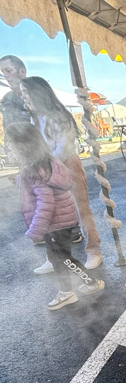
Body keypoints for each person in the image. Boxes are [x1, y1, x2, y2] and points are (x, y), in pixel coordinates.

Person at [6, 122, 104, 311]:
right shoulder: (45, 163)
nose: (9, 148)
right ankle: (79, 287)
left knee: (62, 259)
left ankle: (77, 288)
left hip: (54, 223)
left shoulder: (34, 170)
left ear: (23, 146)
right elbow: (43, 188)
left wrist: (37, 230)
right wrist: (21, 181)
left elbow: (45, 202)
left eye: (11, 144)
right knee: (60, 258)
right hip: (62, 220)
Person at [21, 76, 102, 272]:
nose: (23, 97)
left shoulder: (59, 115)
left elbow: (65, 146)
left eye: (25, 92)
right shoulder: (34, 116)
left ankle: (94, 251)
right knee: (52, 215)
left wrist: (48, 167)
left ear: (37, 93)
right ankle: (54, 257)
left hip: (67, 165)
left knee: (82, 210)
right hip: (45, 168)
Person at [0, 54, 32, 140]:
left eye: (9, 71)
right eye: (3, 72)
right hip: (13, 150)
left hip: (37, 150)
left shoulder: (37, 95)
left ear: (22, 72)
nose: (5, 76)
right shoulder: (6, 98)